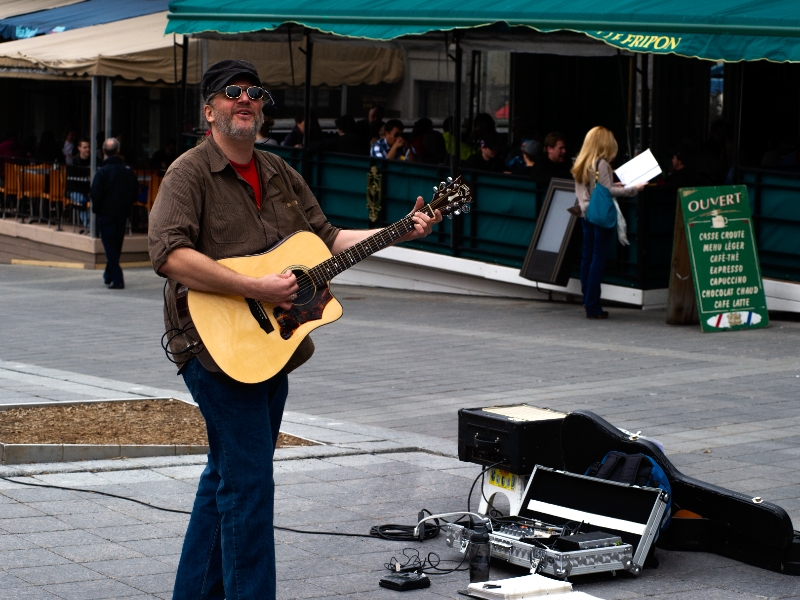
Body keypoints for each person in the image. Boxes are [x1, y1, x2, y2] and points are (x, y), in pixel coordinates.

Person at [147, 59, 441, 600]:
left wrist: (399, 231)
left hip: (270, 349)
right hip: (211, 349)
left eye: (254, 94)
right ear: (209, 111)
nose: (246, 100)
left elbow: (327, 240)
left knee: (228, 481)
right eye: (232, 93)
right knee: (250, 485)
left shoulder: (281, 173)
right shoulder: (189, 173)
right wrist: (257, 288)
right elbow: (168, 256)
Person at [572, 126, 643, 320]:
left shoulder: (581, 161)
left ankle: (587, 299)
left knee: (587, 257)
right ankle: (593, 305)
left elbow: (597, 188)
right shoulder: (601, 163)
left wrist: (613, 185)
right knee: (598, 259)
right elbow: (607, 192)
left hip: (585, 214)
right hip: (600, 215)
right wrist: (634, 188)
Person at [91, 137, 138, 289]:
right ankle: (108, 274)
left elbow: (95, 194)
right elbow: (134, 193)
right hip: (122, 214)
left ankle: (117, 278)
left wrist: (97, 210)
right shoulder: (127, 171)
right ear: (118, 151)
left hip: (106, 214)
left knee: (110, 246)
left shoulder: (102, 172)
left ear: (104, 152)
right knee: (115, 245)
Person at [65, 138, 92, 231]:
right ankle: (88, 226)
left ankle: (94, 225)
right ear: (79, 148)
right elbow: (71, 183)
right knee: (81, 199)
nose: (87, 149)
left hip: (89, 191)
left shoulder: (95, 160)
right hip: (76, 191)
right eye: (85, 147)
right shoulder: (73, 162)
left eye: (88, 147)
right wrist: (85, 191)